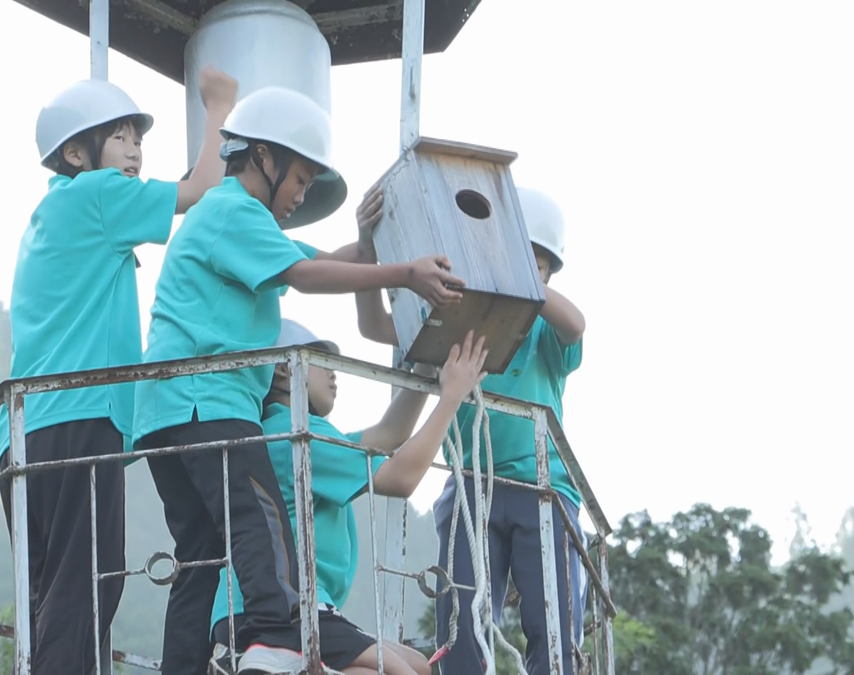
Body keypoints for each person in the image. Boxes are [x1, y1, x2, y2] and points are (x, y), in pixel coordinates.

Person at [131, 85, 467, 675]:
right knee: (262, 532)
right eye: (301, 180)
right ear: (264, 156)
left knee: (203, 558)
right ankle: (276, 642)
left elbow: (316, 258)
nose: (301, 195)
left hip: (161, 415)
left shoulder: (232, 221)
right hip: (207, 404)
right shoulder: (232, 208)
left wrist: (368, 246)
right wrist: (406, 273)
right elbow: (306, 274)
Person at [0, 67, 238, 675]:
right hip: (77, 423)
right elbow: (201, 187)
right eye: (120, 135)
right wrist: (218, 108)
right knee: (87, 589)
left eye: (138, 137)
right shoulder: (99, 196)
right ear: (76, 152)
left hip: (24, 436)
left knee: (50, 599)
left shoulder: (54, 215)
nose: (134, 148)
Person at [354, 186, 589, 675]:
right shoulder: (462, 324)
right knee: (461, 622)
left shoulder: (545, 335)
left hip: (542, 489)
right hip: (471, 487)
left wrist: (514, 271)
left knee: (553, 626)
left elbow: (575, 323)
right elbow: (377, 326)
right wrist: (366, 247)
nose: (524, 273)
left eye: (537, 266)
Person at [207, 320, 489, 675]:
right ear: (283, 369)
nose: (335, 374)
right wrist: (450, 398)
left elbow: (388, 434)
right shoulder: (299, 435)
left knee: (417, 664)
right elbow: (401, 478)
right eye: (323, 361)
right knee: (400, 672)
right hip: (281, 611)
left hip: (253, 609)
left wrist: (425, 368)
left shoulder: (288, 431)